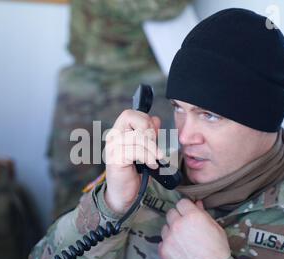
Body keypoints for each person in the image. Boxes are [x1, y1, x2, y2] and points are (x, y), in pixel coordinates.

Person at [24, 8, 284, 259]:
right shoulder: (143, 174)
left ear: (264, 119)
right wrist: (110, 206)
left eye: (209, 115)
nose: (183, 135)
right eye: (179, 108)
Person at [47, 0, 191, 219]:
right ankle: (65, 247)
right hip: (83, 78)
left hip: (137, 81)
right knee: (70, 180)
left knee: (144, 182)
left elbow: (166, 6)